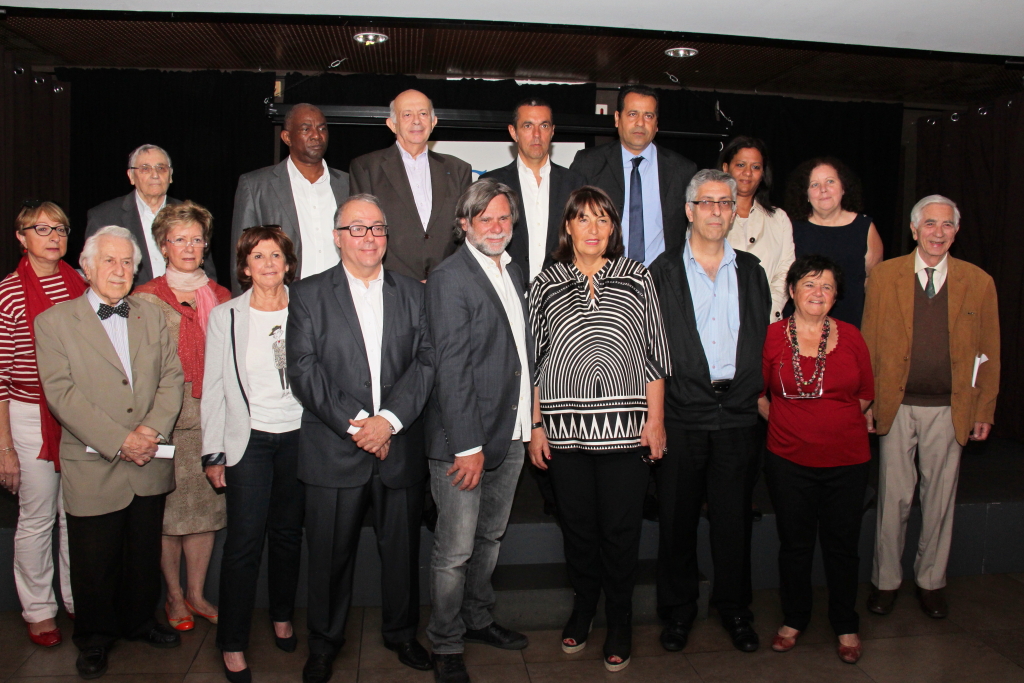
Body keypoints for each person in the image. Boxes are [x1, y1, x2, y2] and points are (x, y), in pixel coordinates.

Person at [288, 194, 435, 683]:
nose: (369, 237)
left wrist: (388, 421)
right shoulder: (308, 295)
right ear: (337, 238)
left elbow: (426, 363)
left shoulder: (414, 294)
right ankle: (325, 643)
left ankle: (401, 633)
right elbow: (304, 370)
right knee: (329, 555)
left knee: (402, 553)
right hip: (335, 448)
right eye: (357, 228)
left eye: (377, 228)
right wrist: (359, 424)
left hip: (398, 445)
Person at [528, 186, 670, 671]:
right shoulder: (545, 283)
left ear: (614, 229)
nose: (592, 229)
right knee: (579, 531)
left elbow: (654, 355)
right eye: (582, 219)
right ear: (567, 226)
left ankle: (621, 618)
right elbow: (533, 362)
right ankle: (584, 607)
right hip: (564, 434)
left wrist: (657, 421)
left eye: (602, 220)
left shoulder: (637, 279)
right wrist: (536, 426)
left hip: (626, 433)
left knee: (621, 531)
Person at [35, 226, 185, 679]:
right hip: (95, 459)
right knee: (93, 559)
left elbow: (172, 379)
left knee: (142, 553)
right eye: (109, 261)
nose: (119, 270)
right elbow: (61, 395)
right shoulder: (54, 322)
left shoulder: (153, 315)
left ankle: (140, 622)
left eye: (127, 262)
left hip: (148, 458)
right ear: (86, 267)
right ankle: (95, 638)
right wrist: (121, 440)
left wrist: (150, 431)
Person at [649, 169, 771, 654]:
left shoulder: (753, 271)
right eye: (708, 202)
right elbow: (648, 350)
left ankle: (735, 608)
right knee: (676, 522)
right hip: (682, 415)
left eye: (726, 202)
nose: (718, 210)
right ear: (689, 211)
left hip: (739, 416)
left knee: (734, 521)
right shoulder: (660, 273)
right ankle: (677, 613)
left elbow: (760, 338)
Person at [862, 195, 1000, 620]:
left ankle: (930, 582)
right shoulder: (885, 277)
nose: (937, 233)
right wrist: (866, 403)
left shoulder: (979, 282)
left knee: (940, 499)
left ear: (956, 232)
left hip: (951, 408)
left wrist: (984, 409)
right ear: (914, 229)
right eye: (930, 224)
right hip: (897, 404)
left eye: (946, 225)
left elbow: (990, 350)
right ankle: (885, 582)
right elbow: (867, 342)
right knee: (894, 500)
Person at [424, 179, 533, 683]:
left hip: (508, 433)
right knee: (456, 551)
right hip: (464, 443)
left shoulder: (512, 272)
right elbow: (451, 370)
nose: (497, 226)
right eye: (485, 218)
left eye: (504, 218)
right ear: (464, 223)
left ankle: (477, 618)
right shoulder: (451, 277)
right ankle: (445, 642)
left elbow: (518, 359)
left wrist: (530, 423)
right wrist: (467, 447)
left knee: (490, 537)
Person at [202, 226, 306, 683]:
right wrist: (213, 453)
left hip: (300, 437)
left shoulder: (308, 308)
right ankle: (233, 641)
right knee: (244, 544)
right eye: (258, 257)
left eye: (276, 256)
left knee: (287, 536)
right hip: (250, 442)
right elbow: (214, 389)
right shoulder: (225, 316)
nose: (268, 264)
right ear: (244, 267)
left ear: (288, 263)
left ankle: (282, 615)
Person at [759, 255, 874, 664]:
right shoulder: (771, 337)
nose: (818, 293)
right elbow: (758, 393)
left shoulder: (853, 337)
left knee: (843, 547)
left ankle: (845, 623)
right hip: (788, 461)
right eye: (809, 284)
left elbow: (865, 394)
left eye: (826, 286)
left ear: (836, 296)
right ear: (791, 291)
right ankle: (794, 619)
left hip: (848, 461)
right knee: (795, 545)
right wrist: (794, 424)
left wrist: (829, 426)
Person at [133, 202, 231, 632]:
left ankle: (197, 593)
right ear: (162, 245)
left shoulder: (224, 296)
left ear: (206, 244)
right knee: (168, 516)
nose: (188, 246)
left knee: (204, 513)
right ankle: (173, 595)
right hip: (164, 420)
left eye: (196, 238)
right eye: (179, 239)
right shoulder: (143, 299)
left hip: (212, 418)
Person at [0, 200, 85, 647]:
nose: (53, 237)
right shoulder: (9, 293)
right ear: (21, 237)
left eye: (60, 229)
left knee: (75, 514)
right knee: (36, 518)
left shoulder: (82, 284)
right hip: (30, 416)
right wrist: (5, 448)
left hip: (78, 415)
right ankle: (37, 609)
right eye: (42, 229)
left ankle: (75, 598)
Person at [349, 89, 473, 281]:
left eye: (423, 114)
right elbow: (362, 232)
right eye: (407, 114)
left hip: (447, 283)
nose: (417, 120)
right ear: (392, 124)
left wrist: (445, 276)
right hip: (389, 285)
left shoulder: (458, 169)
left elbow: (467, 232)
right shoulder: (366, 168)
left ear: (434, 122)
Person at [570, 85, 697, 266]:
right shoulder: (589, 164)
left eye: (648, 116)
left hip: (660, 279)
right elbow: (571, 223)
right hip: (602, 276)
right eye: (632, 114)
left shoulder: (682, 170)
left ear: (656, 123)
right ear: (617, 118)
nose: (640, 123)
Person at [230, 104, 350, 292]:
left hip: (340, 297)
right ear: (287, 137)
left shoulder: (349, 184)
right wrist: (245, 312)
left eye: (322, 128)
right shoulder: (255, 185)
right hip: (282, 299)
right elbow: (241, 258)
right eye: (305, 129)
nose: (316, 135)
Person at [481, 98, 586, 289]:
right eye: (528, 126)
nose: (536, 134)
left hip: (562, 296)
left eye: (543, 126)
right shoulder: (491, 184)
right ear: (514, 132)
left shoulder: (575, 184)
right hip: (507, 293)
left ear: (552, 131)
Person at [86, 144, 216, 286]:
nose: (155, 175)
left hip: (186, 303)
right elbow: (94, 272)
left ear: (170, 175)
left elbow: (206, 272)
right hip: (130, 304)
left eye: (161, 168)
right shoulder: (104, 217)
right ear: (131, 176)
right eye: (145, 169)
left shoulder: (191, 216)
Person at [785, 157, 883, 326]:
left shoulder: (865, 228)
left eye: (830, 181)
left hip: (850, 323)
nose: (823, 189)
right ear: (806, 194)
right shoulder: (790, 228)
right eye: (814, 184)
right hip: (799, 326)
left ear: (843, 187)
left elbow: (873, 281)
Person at [720, 136, 795, 324]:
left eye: (755, 167)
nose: (747, 173)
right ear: (725, 168)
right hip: (720, 319)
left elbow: (786, 272)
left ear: (763, 173)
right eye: (740, 165)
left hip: (767, 320)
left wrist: (768, 309)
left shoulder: (778, 219)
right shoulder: (708, 214)